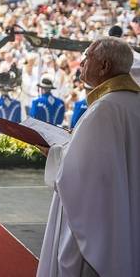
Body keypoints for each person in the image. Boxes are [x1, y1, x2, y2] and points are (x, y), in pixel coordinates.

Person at [37, 37, 140, 276]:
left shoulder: (104, 108)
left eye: (87, 58)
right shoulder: (132, 102)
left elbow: (79, 175)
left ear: (104, 66)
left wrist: (52, 152)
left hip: (102, 222)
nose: (81, 64)